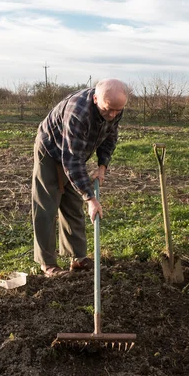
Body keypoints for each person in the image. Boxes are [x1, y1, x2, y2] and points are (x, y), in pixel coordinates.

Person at [31, 78, 128, 277]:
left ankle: (77, 258)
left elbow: (110, 137)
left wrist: (102, 167)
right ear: (95, 98)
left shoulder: (115, 107)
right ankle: (47, 264)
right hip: (51, 150)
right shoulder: (78, 112)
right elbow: (72, 160)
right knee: (47, 206)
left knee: (73, 203)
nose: (112, 115)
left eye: (117, 111)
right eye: (108, 109)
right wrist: (91, 199)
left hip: (76, 151)